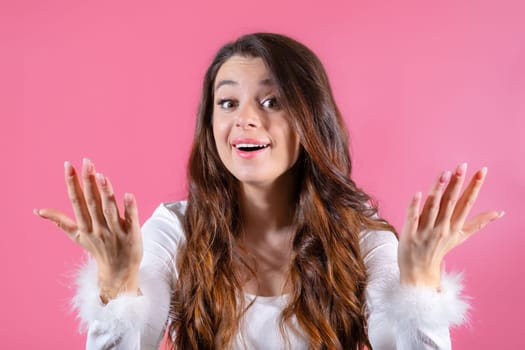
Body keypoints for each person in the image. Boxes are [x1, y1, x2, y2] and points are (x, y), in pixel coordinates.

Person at [35, 33, 503, 350]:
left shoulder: (364, 242)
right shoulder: (173, 229)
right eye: (227, 102)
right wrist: (117, 286)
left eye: (272, 100)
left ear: (310, 119)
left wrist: (419, 286)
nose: (245, 118)